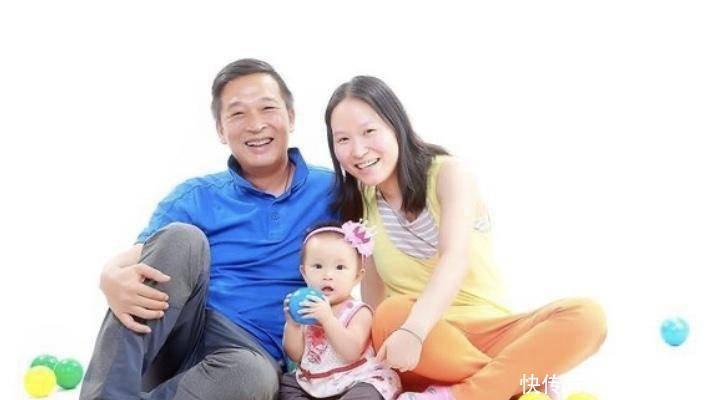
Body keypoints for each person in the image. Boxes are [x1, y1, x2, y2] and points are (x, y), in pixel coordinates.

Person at [323, 76, 607, 400]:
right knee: (388, 315)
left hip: (490, 332)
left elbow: (454, 258)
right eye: (342, 139)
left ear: (396, 124)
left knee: (588, 317)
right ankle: (518, 384)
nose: (358, 150)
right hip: (425, 346)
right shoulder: (362, 201)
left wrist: (414, 331)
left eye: (369, 131)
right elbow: (374, 294)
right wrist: (391, 343)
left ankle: (461, 395)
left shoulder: (448, 174)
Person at [80, 58, 337, 400]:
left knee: (252, 377)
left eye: (267, 108)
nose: (255, 124)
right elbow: (140, 259)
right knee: (181, 238)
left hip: (247, 356)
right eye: (238, 113)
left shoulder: (332, 191)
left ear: (290, 116)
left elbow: (380, 243)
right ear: (220, 129)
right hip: (181, 332)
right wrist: (109, 275)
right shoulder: (196, 195)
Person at [280, 221, 401, 400]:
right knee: (287, 385)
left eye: (339, 267)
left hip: (354, 379)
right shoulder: (308, 307)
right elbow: (296, 355)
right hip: (314, 382)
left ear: (357, 276)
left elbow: (351, 352)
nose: (327, 275)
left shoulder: (359, 312)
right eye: (318, 266)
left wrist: (327, 319)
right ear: (304, 273)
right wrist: (293, 325)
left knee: (368, 393)